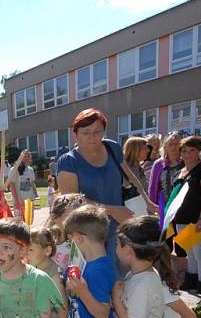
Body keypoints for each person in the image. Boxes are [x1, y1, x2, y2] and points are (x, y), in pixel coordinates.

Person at [57, 108, 148, 263]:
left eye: (97, 132)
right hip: (89, 233)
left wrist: (148, 202)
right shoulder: (69, 161)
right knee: (101, 278)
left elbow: (131, 177)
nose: (92, 137)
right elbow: (71, 202)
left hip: (122, 226)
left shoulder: (112, 148)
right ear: (75, 134)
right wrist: (112, 210)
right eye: (86, 132)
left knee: (123, 274)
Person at [172, 136, 201, 295]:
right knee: (189, 252)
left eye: (192, 151)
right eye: (184, 150)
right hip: (181, 218)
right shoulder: (181, 170)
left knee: (199, 254)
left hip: (195, 218)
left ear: (198, 152)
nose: (187, 154)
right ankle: (191, 280)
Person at [148, 131, 185, 226]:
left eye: (177, 144)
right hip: (163, 206)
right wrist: (152, 207)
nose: (174, 147)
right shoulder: (158, 164)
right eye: (171, 144)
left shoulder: (186, 162)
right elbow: (153, 188)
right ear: (165, 146)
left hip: (182, 206)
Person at [7, 149, 38, 223]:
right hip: (19, 201)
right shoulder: (14, 169)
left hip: (29, 200)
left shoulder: (30, 169)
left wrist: (35, 194)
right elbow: (11, 185)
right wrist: (17, 201)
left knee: (29, 222)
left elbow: (32, 183)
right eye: (25, 156)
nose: (27, 158)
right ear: (20, 157)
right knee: (19, 224)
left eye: (29, 156)